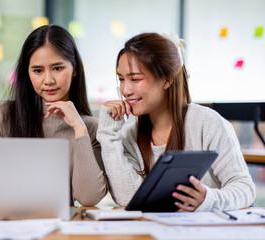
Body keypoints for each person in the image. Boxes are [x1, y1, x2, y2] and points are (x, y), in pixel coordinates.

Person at [96, 32, 255, 211]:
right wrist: (108, 134)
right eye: (121, 79)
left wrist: (208, 200)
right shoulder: (128, 135)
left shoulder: (207, 123)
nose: (125, 90)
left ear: (166, 80)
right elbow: (128, 199)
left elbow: (244, 188)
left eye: (135, 79)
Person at [0, 25, 108, 206]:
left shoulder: (90, 128)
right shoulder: (3, 116)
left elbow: (88, 198)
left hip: (60, 230)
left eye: (57, 68)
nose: (48, 80)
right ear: (28, 73)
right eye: (38, 71)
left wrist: (79, 128)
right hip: (9, 225)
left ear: (75, 69)